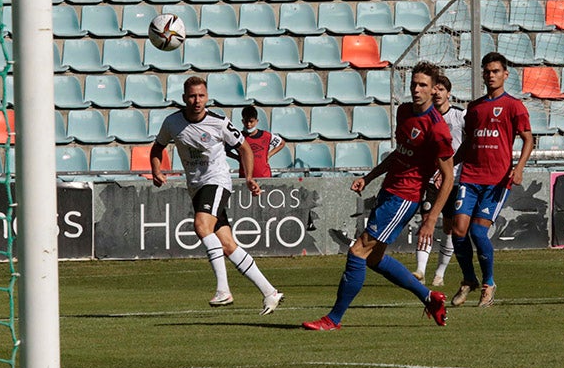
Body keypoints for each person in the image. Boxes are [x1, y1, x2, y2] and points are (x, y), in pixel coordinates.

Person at [302, 61, 454, 331]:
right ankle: (430, 298)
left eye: (423, 85)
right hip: (389, 189)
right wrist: (369, 177)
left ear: (434, 91)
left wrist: (431, 219)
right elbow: (399, 154)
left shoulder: (437, 128)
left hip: (405, 197)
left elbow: (448, 177)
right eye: (414, 84)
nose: (416, 90)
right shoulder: (405, 112)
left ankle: (333, 319)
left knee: (358, 251)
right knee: (373, 258)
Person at [151, 76, 284, 315]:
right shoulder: (172, 123)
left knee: (202, 225)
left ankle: (223, 290)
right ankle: (270, 292)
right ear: (184, 98)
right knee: (227, 244)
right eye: (192, 96)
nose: (197, 100)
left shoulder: (219, 122)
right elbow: (157, 147)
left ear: (207, 97)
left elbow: (244, 147)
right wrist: (156, 170)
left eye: (201, 95)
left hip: (217, 181)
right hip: (196, 186)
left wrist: (249, 177)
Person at [450, 52, 534, 308]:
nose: (491, 75)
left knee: (477, 231)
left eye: (496, 71)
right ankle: (468, 279)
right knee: (458, 230)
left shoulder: (513, 106)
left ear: (505, 74)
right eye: (487, 71)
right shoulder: (474, 108)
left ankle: (488, 283)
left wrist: (518, 168)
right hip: (470, 176)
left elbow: (528, 139)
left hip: (497, 180)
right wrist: (446, 166)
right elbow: (468, 144)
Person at [413, 73, 466, 288]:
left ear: (448, 93)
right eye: (434, 90)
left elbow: (467, 145)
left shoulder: (460, 116)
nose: (437, 94)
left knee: (449, 226)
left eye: (441, 90)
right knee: (427, 219)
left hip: (454, 178)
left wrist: (450, 168)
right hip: (429, 178)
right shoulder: (427, 116)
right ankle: (420, 270)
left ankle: (440, 273)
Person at [237, 105, 286, 179]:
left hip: (264, 176)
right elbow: (226, 148)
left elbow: (282, 143)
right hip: (245, 177)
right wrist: (237, 157)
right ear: (242, 121)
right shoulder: (239, 137)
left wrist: (269, 155)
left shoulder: (266, 136)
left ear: (257, 121)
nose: (248, 124)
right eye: (246, 121)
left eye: (251, 121)